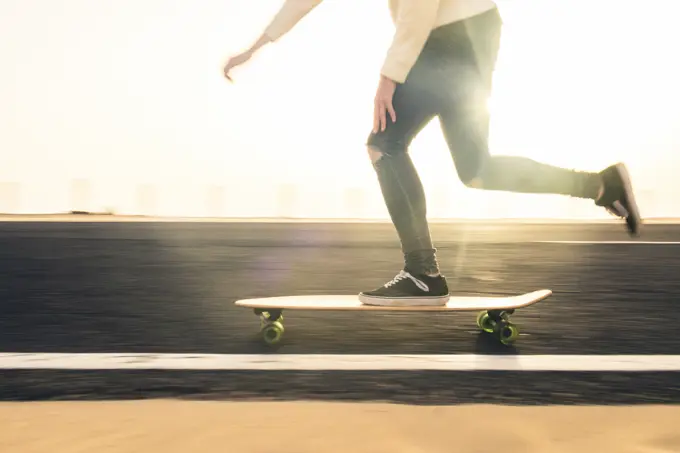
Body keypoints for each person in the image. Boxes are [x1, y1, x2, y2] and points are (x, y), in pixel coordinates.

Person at [223, 0, 642, 307]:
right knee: (476, 169)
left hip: (448, 35)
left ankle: (422, 272)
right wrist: (256, 46)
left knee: (384, 144)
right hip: (470, 31)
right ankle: (600, 185)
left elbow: (419, 8)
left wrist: (389, 77)